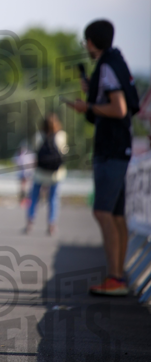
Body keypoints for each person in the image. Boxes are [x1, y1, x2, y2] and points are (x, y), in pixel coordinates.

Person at [71, 20, 139, 296]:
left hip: (111, 148)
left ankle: (115, 278)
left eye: (86, 41)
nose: (85, 46)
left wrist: (87, 106)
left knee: (103, 212)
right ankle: (119, 276)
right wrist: (93, 92)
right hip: (120, 147)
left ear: (91, 42)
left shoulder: (108, 66)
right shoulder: (116, 61)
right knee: (117, 215)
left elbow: (119, 108)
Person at [25, 115, 68, 237]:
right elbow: (64, 153)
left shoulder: (39, 136)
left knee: (34, 198)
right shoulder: (61, 136)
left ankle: (30, 222)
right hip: (56, 174)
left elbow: (34, 151)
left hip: (40, 173)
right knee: (53, 199)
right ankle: (51, 225)